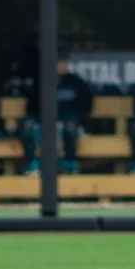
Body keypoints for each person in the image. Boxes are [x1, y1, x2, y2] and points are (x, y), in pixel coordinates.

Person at [20, 47, 94, 175]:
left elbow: (86, 105)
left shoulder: (75, 82)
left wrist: (80, 120)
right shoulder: (41, 82)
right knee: (30, 127)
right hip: (45, 125)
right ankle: (33, 166)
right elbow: (31, 108)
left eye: (64, 62)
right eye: (58, 62)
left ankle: (70, 165)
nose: (61, 65)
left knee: (69, 126)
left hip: (70, 125)